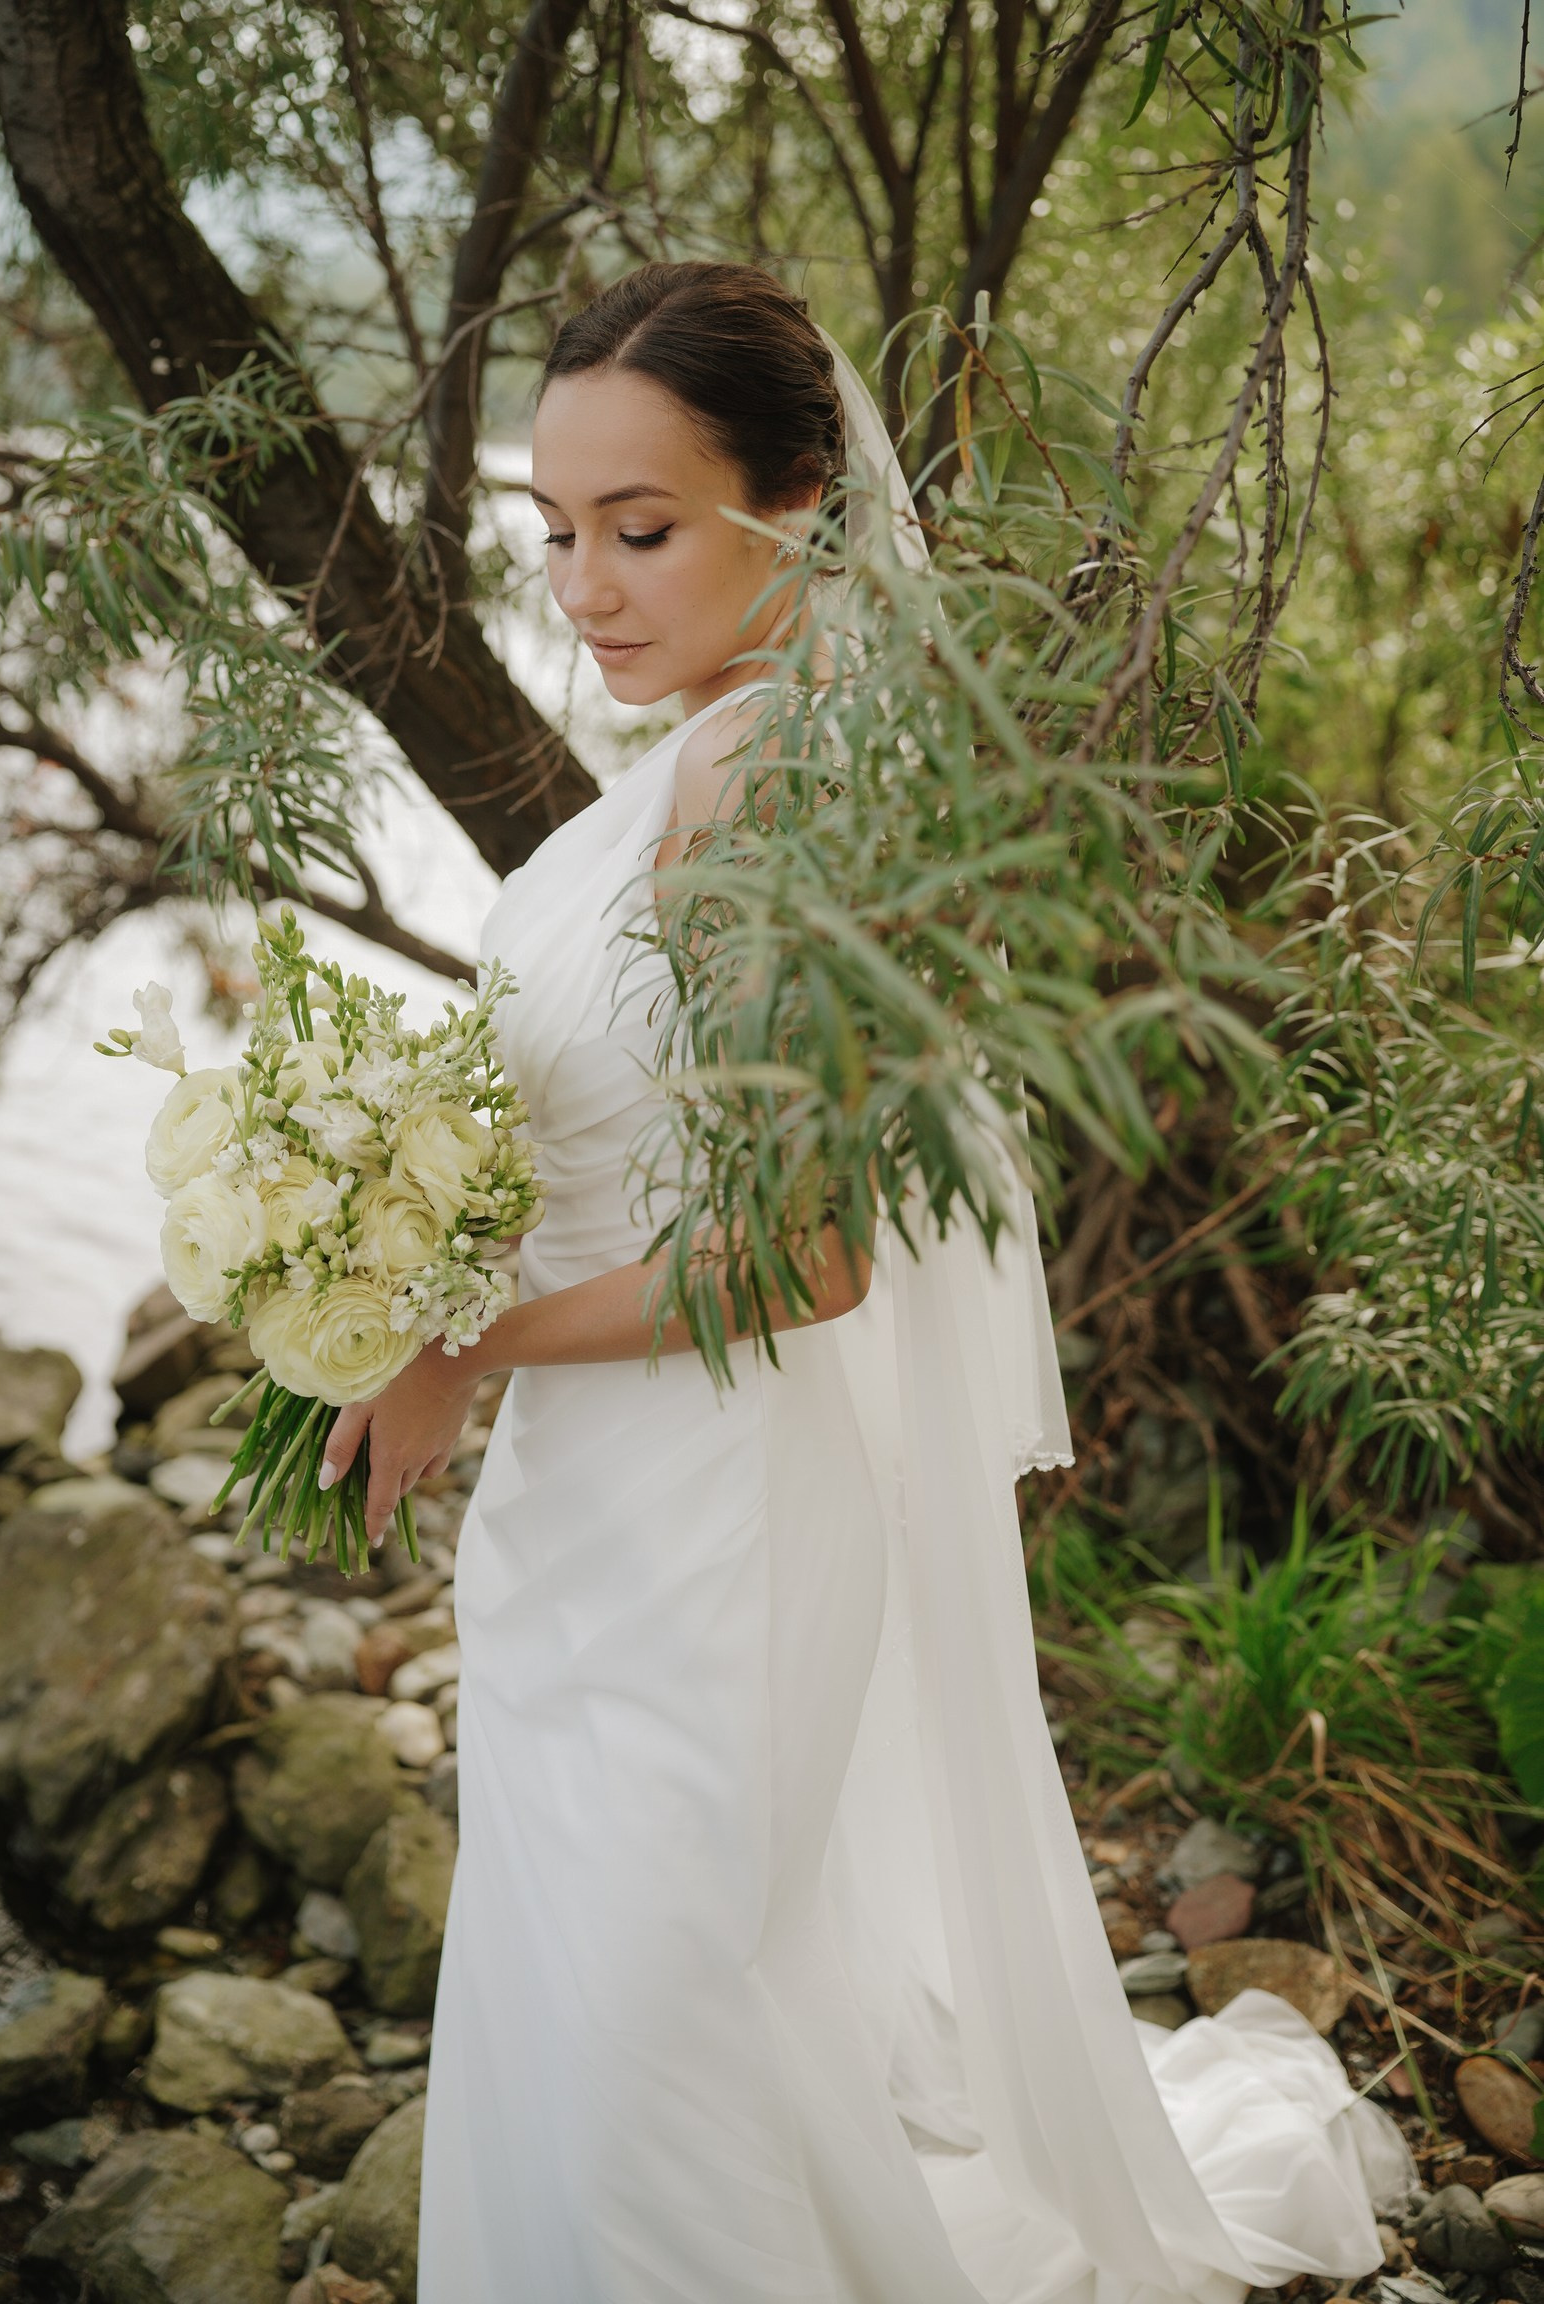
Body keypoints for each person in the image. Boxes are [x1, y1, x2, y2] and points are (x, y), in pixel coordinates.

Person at [321, 261, 1413, 2302]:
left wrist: (456, 1345)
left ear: (804, 501)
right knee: (638, 1982)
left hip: (717, 1505)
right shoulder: (732, 747)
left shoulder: (770, 785)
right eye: (553, 532)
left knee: (655, 1999)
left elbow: (801, 1253)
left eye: (642, 530)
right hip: (619, 1494)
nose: (583, 586)